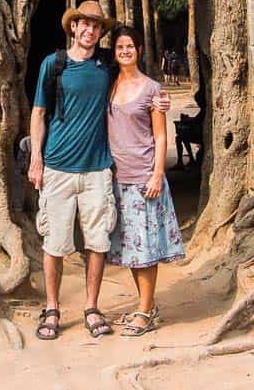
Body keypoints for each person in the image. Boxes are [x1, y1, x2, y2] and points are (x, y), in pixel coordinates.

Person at [29, 0, 170, 341]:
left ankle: (92, 307)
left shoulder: (106, 65)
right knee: (55, 243)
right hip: (58, 167)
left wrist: (160, 100)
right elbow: (38, 113)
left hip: (97, 170)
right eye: (84, 24)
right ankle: (52, 308)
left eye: (96, 25)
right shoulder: (54, 65)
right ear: (73, 27)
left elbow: (135, 80)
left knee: (97, 242)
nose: (90, 30)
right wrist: (36, 159)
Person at [106, 25, 186, 336]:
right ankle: (146, 304)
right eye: (119, 47)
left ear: (139, 50)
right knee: (130, 248)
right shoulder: (109, 86)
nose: (125, 51)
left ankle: (145, 309)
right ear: (114, 52)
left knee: (146, 249)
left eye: (130, 46)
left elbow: (160, 135)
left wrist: (157, 174)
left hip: (144, 178)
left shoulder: (153, 90)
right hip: (117, 179)